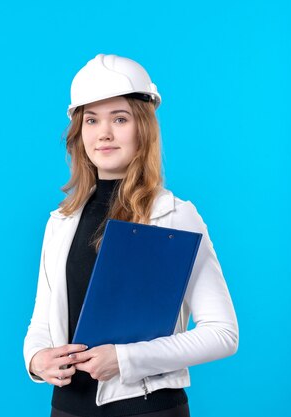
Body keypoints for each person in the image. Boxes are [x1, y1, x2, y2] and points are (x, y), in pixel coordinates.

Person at [23, 54, 239, 417]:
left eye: (119, 119)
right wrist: (36, 359)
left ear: (143, 128)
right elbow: (43, 321)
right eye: (91, 120)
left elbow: (222, 333)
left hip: (148, 410)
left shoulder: (174, 216)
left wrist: (124, 359)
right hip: (67, 409)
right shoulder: (61, 220)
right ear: (79, 132)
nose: (103, 133)